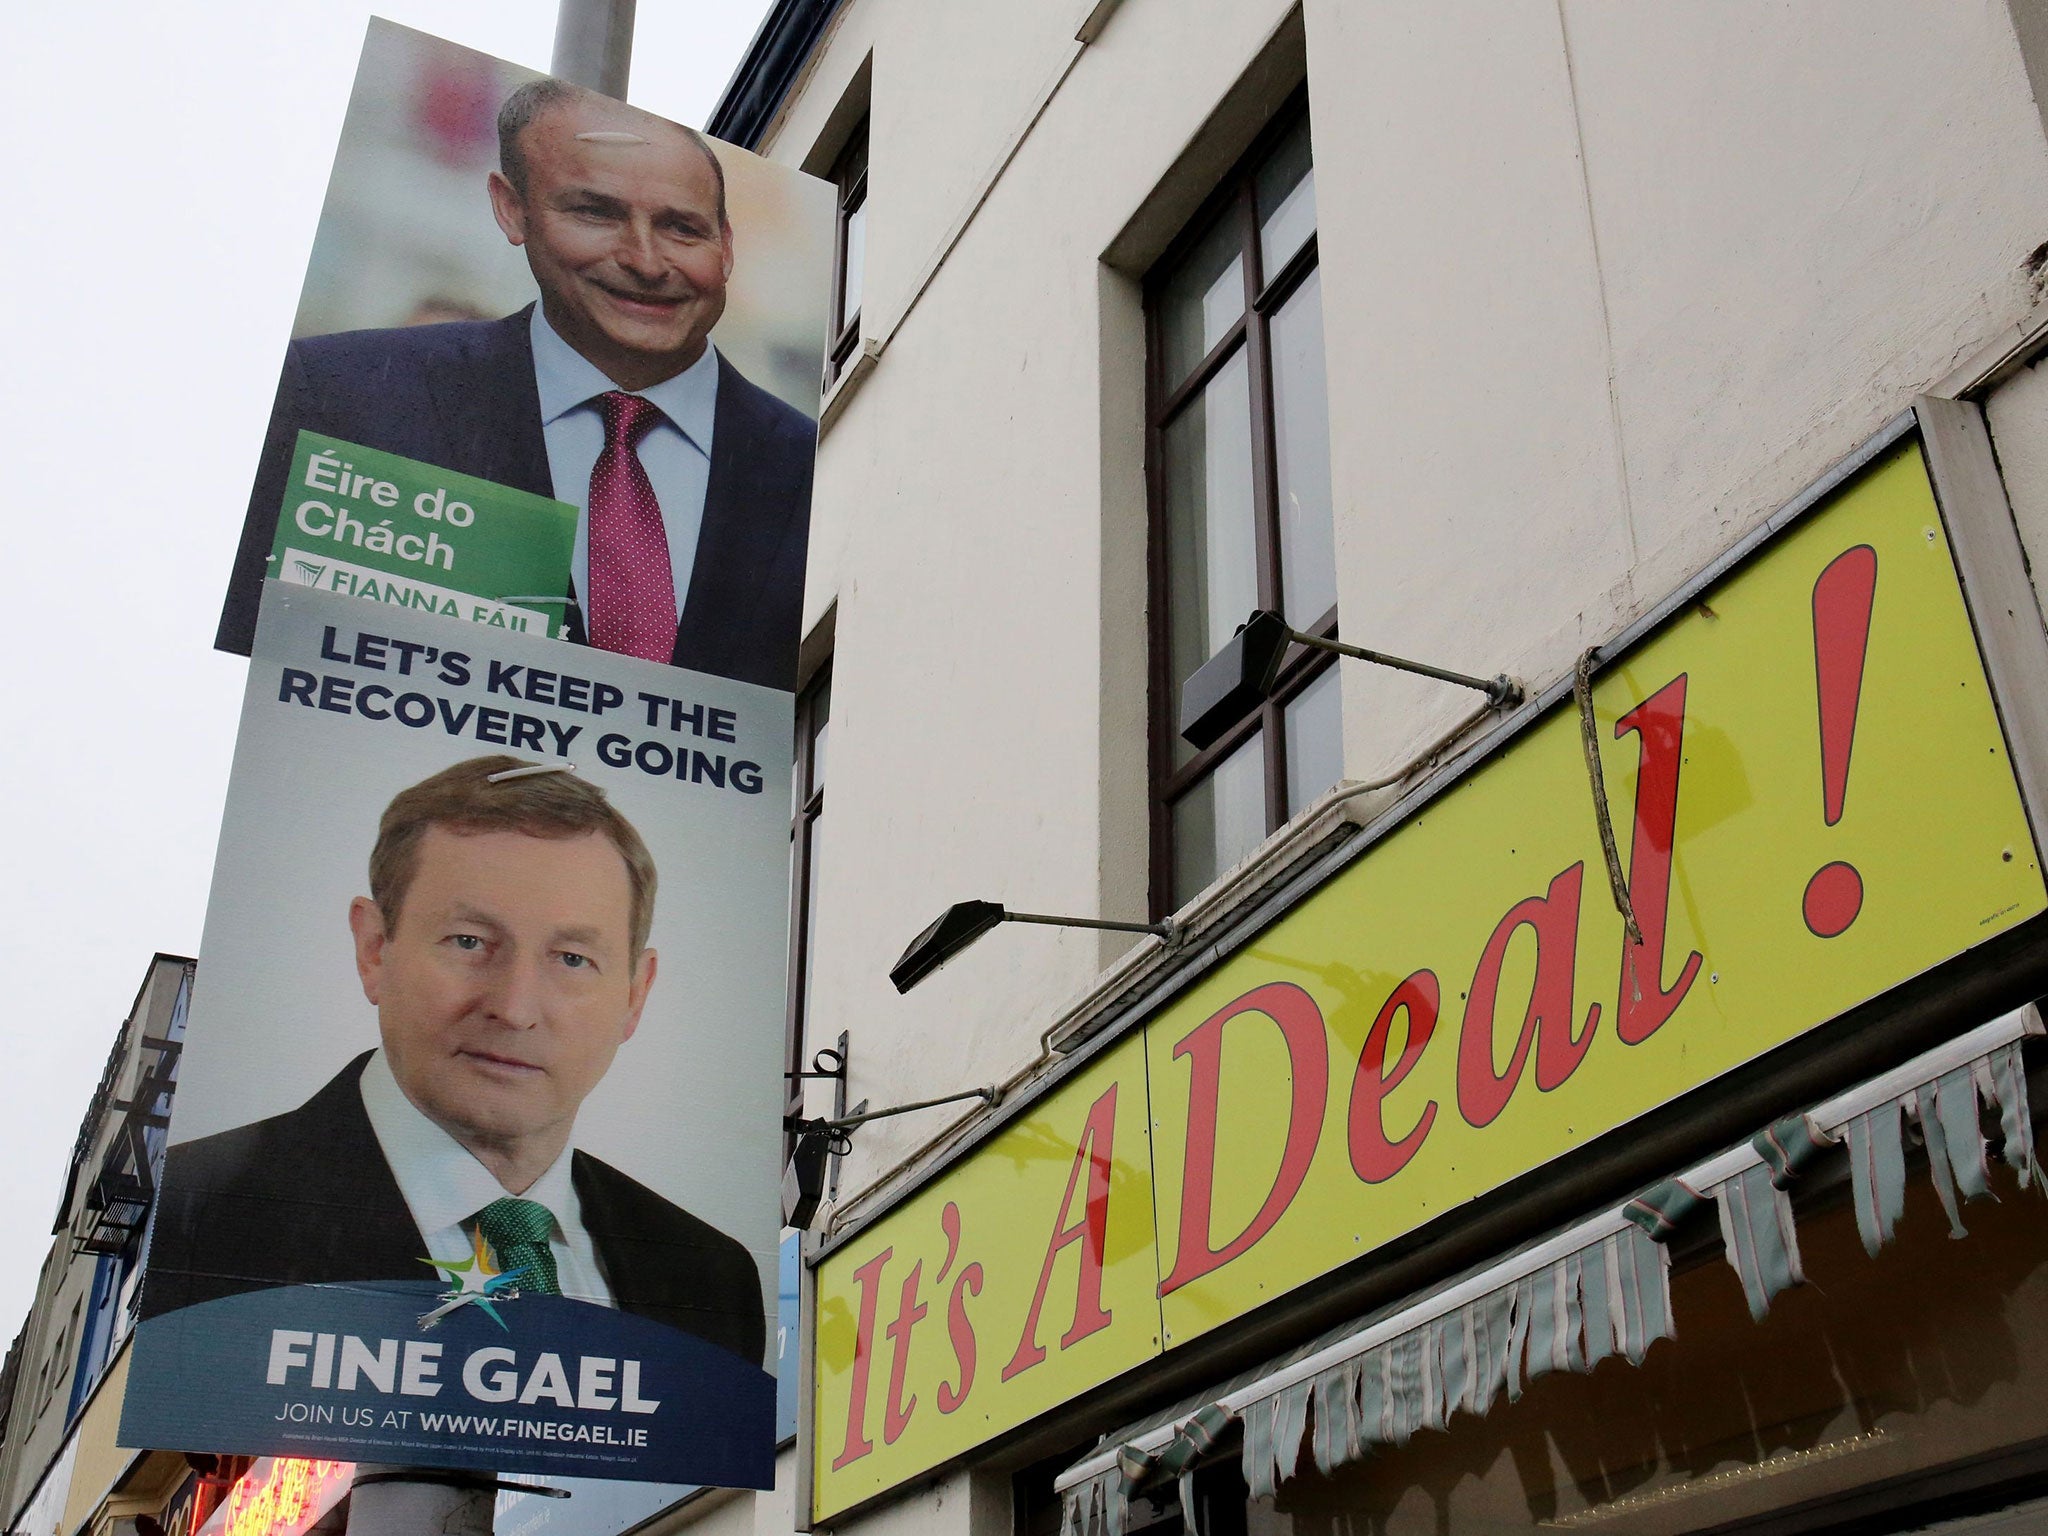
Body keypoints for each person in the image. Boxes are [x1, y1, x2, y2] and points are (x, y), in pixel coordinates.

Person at [139, 755, 764, 1366]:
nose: (515, 1008)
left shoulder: (711, 1279)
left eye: (572, 959)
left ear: (635, 995)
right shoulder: (205, 1212)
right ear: (374, 948)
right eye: (469, 942)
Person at [216, 78, 815, 691]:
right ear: (511, 208)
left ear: (727, 245)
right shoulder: (342, 398)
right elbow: (262, 672)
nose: (645, 260)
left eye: (682, 228)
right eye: (595, 212)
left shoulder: (811, 466)